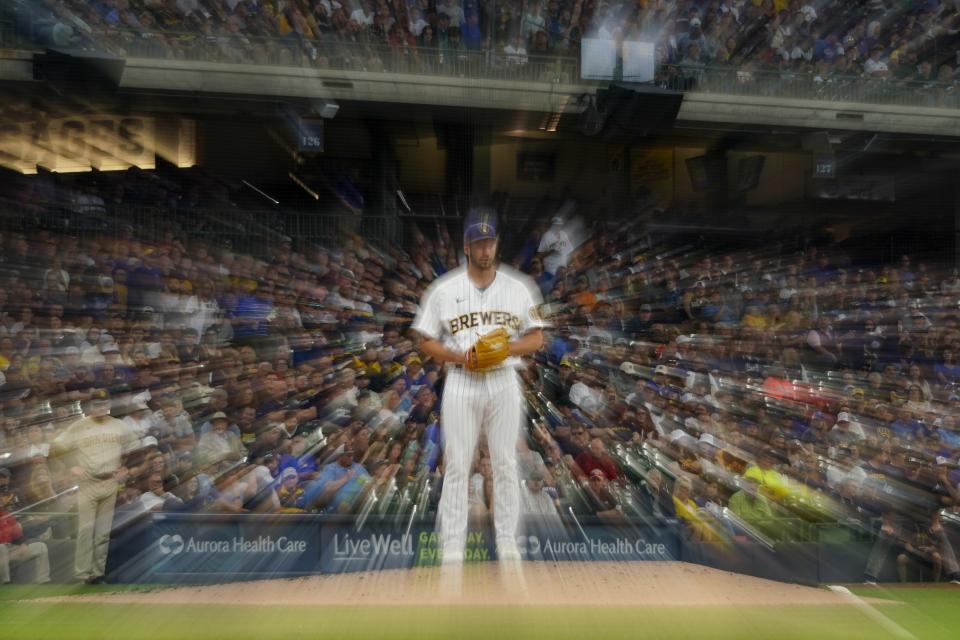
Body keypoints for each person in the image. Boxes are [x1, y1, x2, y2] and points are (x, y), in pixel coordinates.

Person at [412, 206, 546, 566]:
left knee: (504, 463)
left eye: (489, 241)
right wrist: (461, 358)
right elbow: (425, 340)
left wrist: (504, 347)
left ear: (496, 244)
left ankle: (507, 544)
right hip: (462, 380)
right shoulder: (444, 289)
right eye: (478, 242)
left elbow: (536, 339)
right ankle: (452, 546)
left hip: (503, 380)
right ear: (467, 246)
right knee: (456, 465)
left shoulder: (519, 288)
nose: (485, 249)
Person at [50, 389, 137, 584]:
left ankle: (97, 574)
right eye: (97, 404)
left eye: (104, 404)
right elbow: (55, 447)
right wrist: (71, 466)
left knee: (103, 533)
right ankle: (82, 574)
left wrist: (125, 467)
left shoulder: (119, 425)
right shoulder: (79, 426)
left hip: (110, 480)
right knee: (85, 530)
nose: (101, 407)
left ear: (109, 405)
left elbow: (136, 446)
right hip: (88, 482)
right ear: (90, 406)